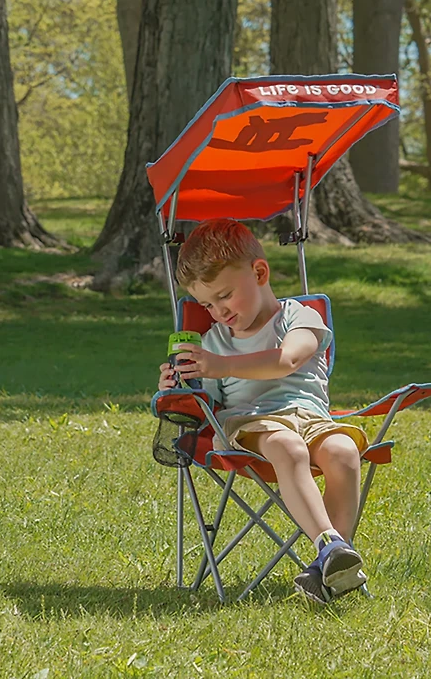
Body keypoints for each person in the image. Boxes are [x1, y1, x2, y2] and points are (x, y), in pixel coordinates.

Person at [157, 218, 369, 604]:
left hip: (312, 416)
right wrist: (176, 384)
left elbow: (288, 359)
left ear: (259, 272)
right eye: (206, 304)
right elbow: (201, 401)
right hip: (252, 423)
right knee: (288, 447)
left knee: (343, 451)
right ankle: (329, 545)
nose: (218, 311)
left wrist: (218, 366)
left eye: (224, 295)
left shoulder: (300, 317)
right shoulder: (213, 342)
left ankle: (332, 564)